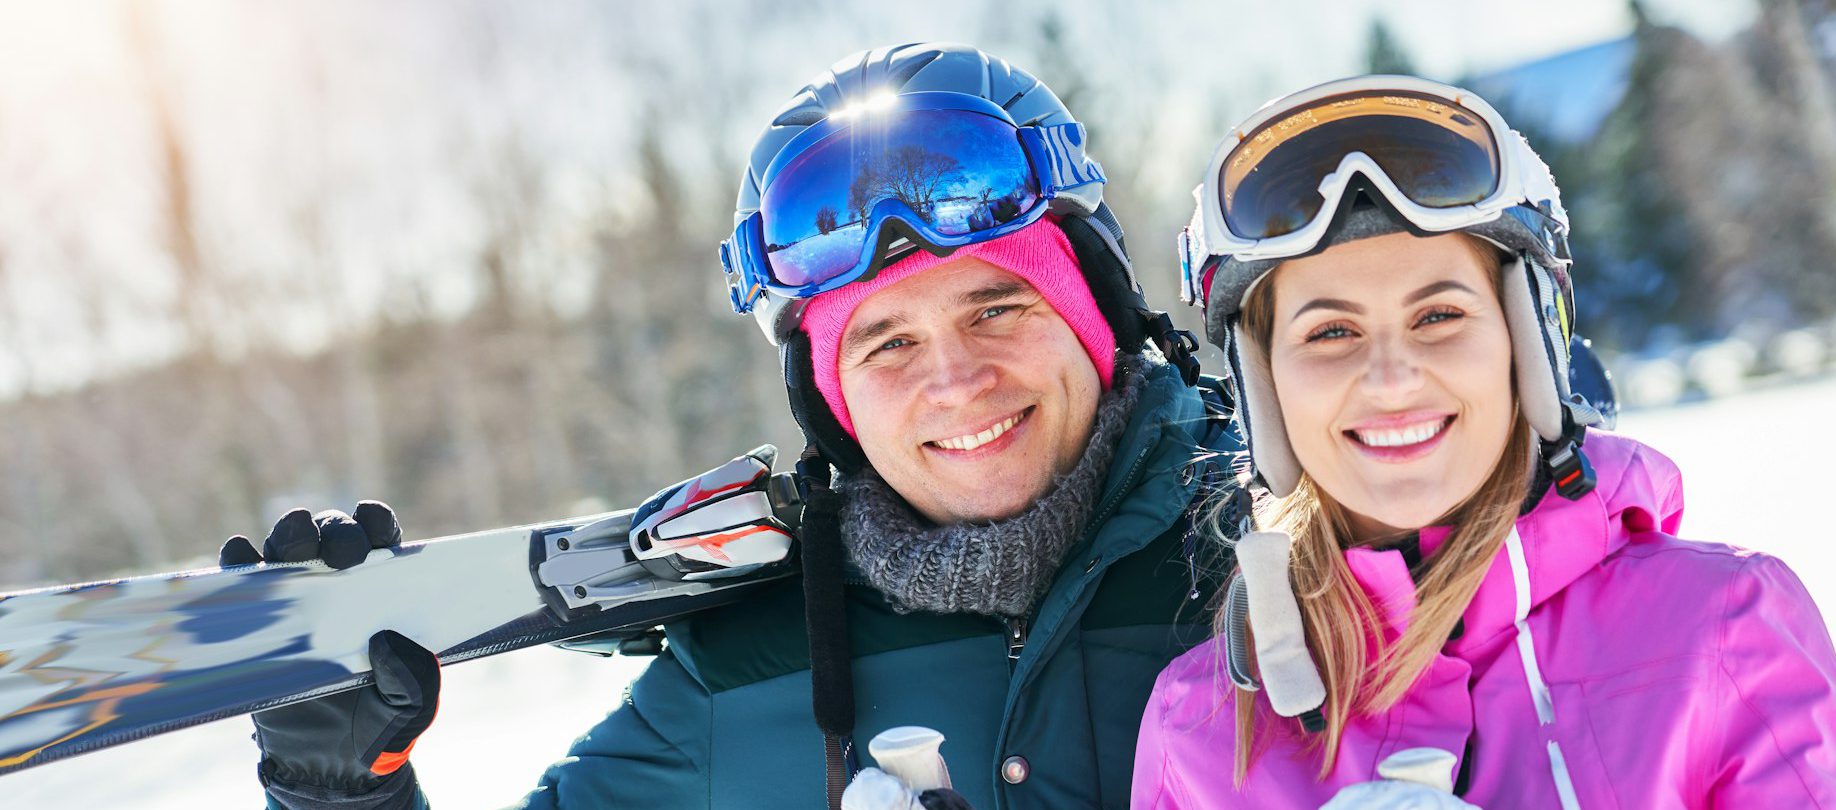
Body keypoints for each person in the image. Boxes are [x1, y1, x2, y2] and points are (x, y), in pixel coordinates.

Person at [226, 43, 1239, 810]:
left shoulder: (1286, 544)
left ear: (1098, 311)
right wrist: (344, 793)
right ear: (830, 403)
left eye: (996, 308)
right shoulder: (755, 658)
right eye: (885, 345)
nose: (956, 381)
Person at [1132, 75, 1836, 808]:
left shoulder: (1723, 628)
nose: (1390, 378)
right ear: (1262, 384)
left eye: (1438, 315)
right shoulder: (1199, 728)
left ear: (1523, 341)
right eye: (1330, 331)